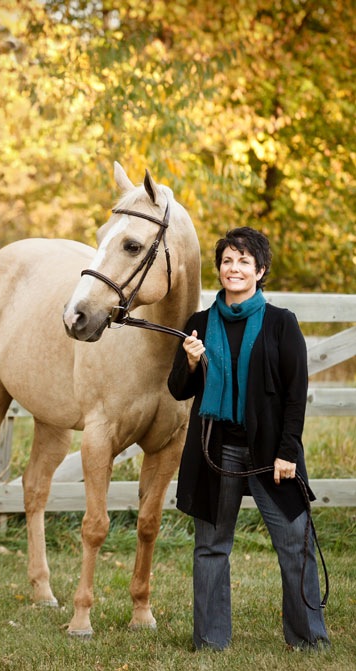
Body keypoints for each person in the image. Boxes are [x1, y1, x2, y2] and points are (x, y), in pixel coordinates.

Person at [167, 226, 329, 652]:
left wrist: (288, 453)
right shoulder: (199, 325)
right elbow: (178, 390)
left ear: (260, 271)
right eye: (227, 260)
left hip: (272, 454)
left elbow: (296, 396)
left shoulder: (281, 324)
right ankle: (210, 640)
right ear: (219, 269)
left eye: (243, 261)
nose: (233, 268)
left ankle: (309, 638)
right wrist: (188, 360)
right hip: (214, 452)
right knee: (211, 547)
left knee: (296, 545)